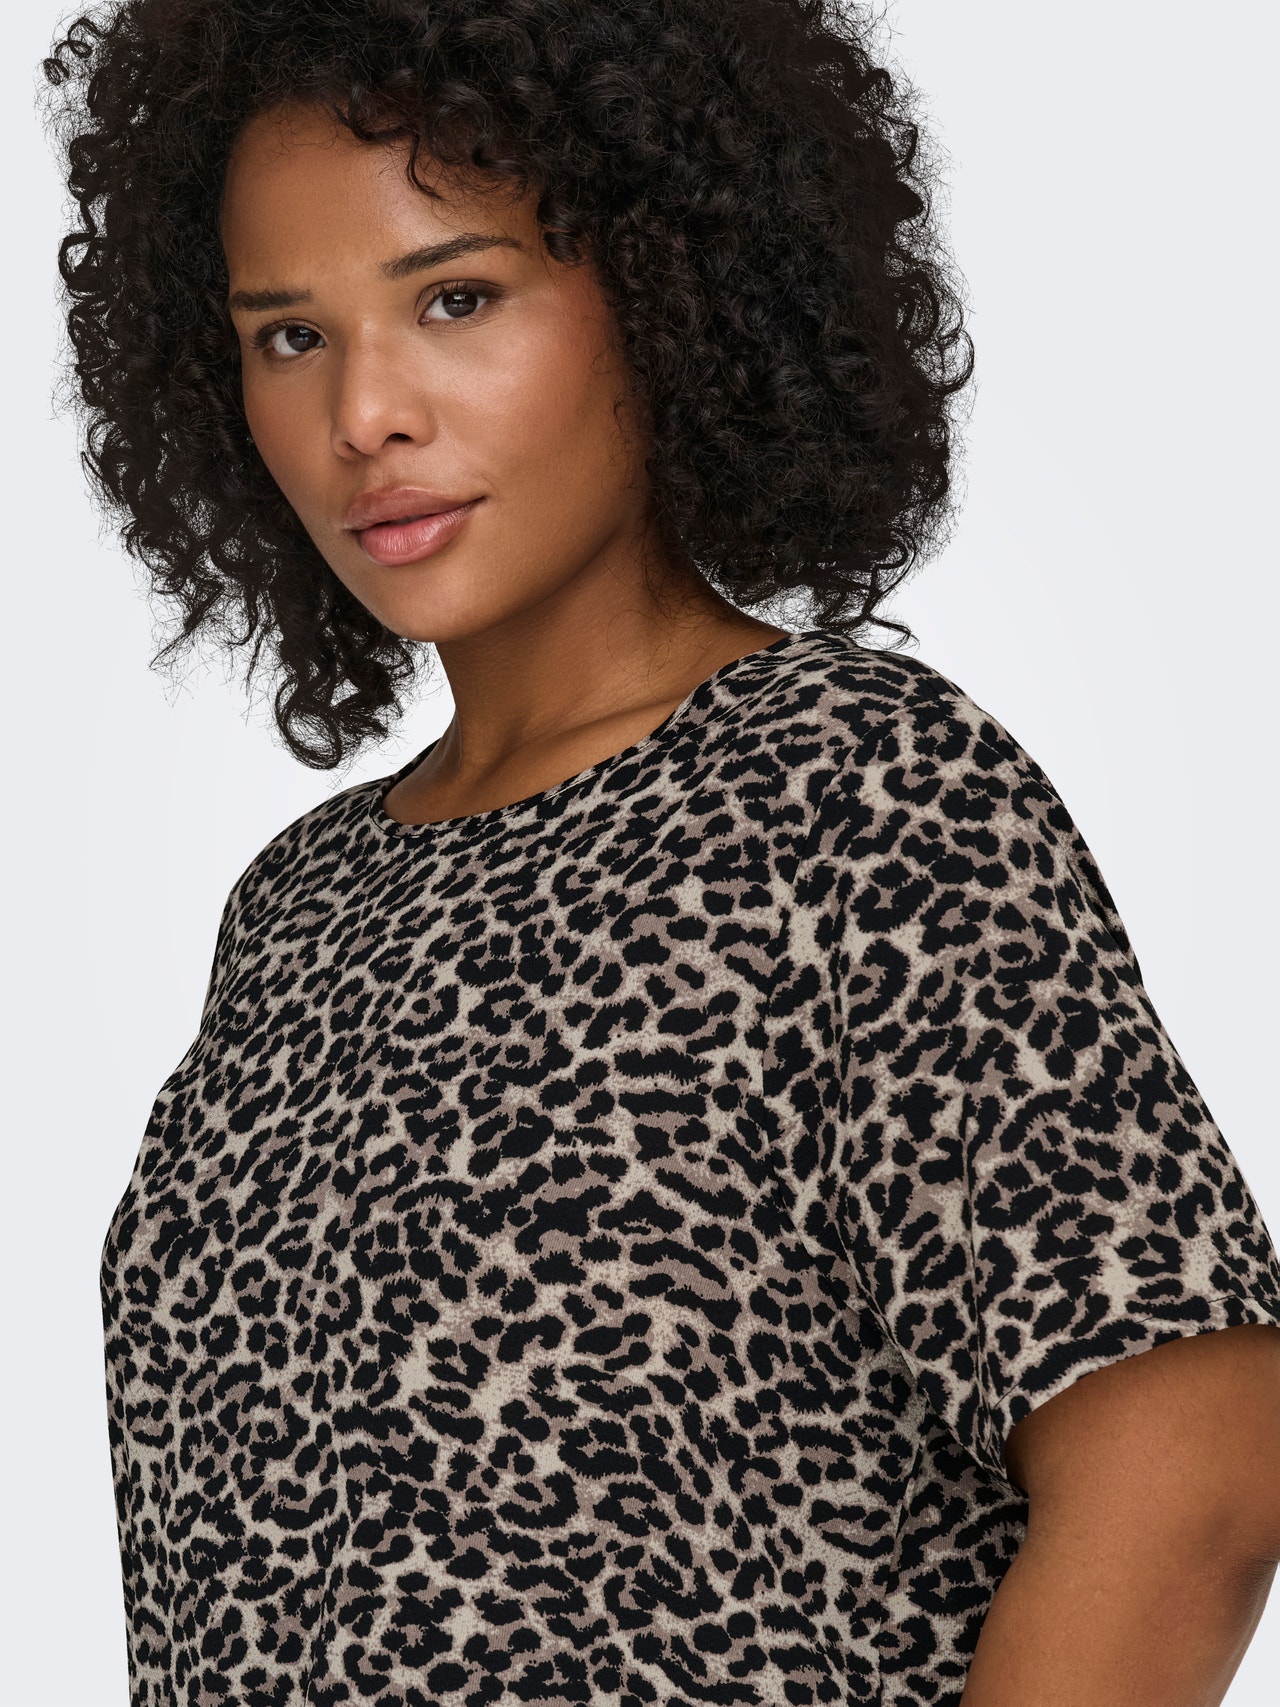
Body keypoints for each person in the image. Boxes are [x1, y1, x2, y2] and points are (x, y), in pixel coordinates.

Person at [43, 1, 1280, 1703]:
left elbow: (1197, 1473)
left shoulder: (856, 791)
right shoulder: (302, 904)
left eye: (456, 298)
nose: (364, 413)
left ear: (667, 290)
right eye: (290, 336)